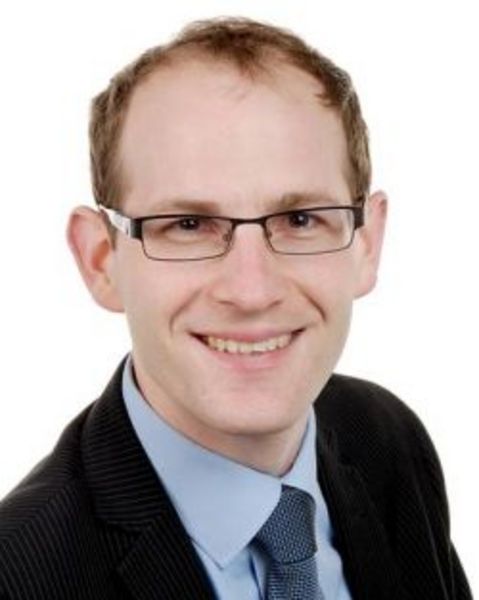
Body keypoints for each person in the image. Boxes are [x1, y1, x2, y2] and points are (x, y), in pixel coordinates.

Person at [0, 16, 472, 600]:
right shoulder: (20, 577)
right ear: (100, 260)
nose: (251, 291)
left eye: (301, 219)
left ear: (367, 244)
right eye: (187, 225)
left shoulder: (387, 439)